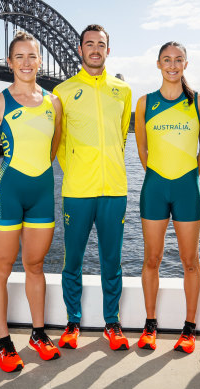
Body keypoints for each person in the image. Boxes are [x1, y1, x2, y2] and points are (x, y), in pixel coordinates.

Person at [0, 31, 62, 373]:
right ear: (9, 62)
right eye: (20, 57)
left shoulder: (53, 103)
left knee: (36, 266)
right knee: (0, 268)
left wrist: (35, 176)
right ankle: (3, 342)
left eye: (33, 56)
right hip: (8, 194)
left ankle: (38, 334)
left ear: (40, 61)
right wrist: (7, 185)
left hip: (42, 193)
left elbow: (53, 147)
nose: (26, 63)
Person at [53, 24, 132, 351]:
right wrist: (76, 171)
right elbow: (58, 142)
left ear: (108, 51)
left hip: (114, 189)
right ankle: (73, 322)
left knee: (112, 261)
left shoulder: (122, 91)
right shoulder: (62, 91)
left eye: (101, 44)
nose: (95, 49)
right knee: (73, 259)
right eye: (89, 44)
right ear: (80, 49)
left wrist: (108, 165)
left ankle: (111, 324)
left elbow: (122, 134)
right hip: (77, 191)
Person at [134, 41, 200, 353]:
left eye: (178, 60)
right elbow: (142, 148)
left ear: (186, 64)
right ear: (158, 64)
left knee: (190, 261)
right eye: (167, 60)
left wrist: (188, 176)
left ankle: (189, 328)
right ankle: (150, 324)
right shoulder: (144, 103)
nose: (172, 65)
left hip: (186, 190)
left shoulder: (199, 104)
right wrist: (156, 174)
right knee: (151, 259)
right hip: (154, 189)